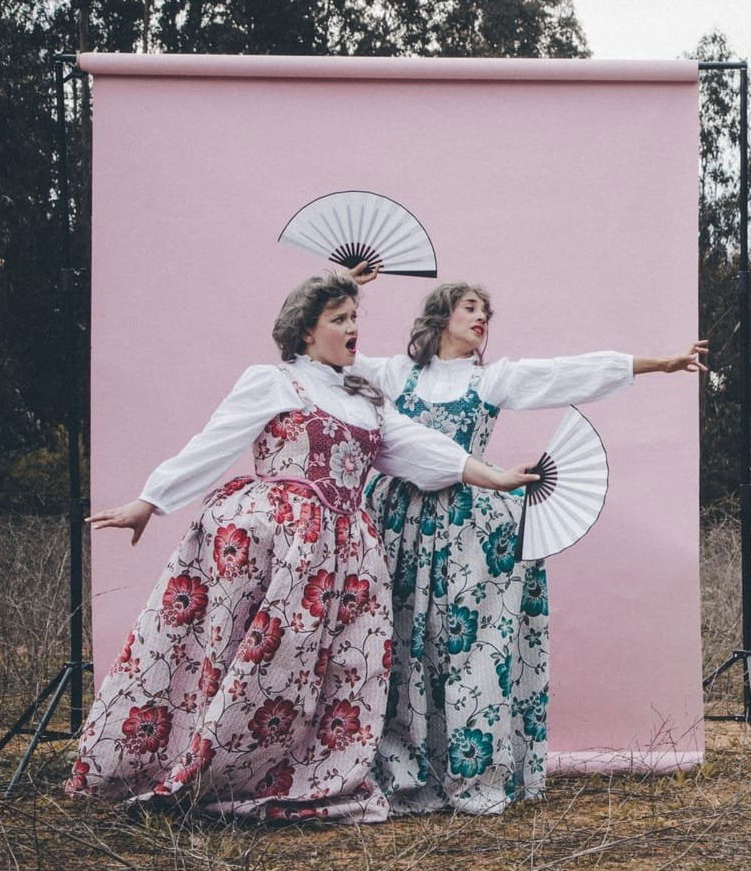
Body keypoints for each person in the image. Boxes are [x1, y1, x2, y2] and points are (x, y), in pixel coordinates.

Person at [68, 272, 538, 823]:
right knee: (258, 659)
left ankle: (299, 770)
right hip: (278, 541)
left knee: (330, 669)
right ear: (307, 331)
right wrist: (151, 500)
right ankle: (207, 765)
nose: (352, 328)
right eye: (339, 319)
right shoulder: (274, 382)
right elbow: (214, 441)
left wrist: (493, 476)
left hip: (344, 551)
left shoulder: (363, 400)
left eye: (354, 318)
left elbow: (423, 448)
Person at [348, 274, 705, 815]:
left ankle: (474, 773)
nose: (481, 318)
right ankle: (406, 775)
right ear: (442, 316)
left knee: (469, 648)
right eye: (470, 307)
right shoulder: (397, 375)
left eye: (485, 311)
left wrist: (660, 363)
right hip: (401, 525)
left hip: (474, 527)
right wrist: (343, 286)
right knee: (404, 642)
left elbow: (569, 373)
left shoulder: (492, 380)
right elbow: (331, 358)